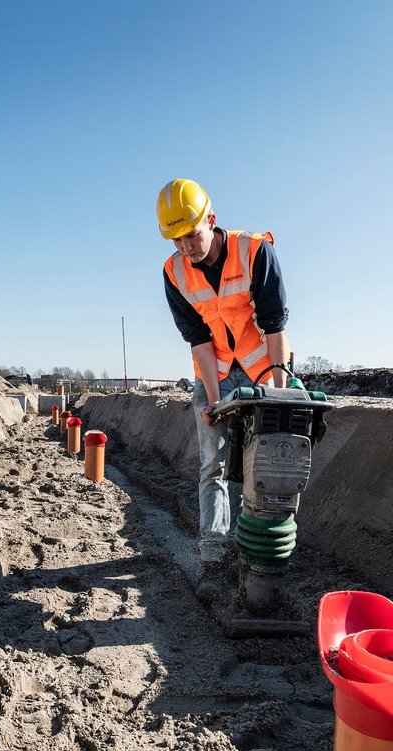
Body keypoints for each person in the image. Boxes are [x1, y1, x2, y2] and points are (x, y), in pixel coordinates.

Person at [156, 178, 290, 574]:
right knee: (211, 465)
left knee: (261, 467)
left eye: (191, 236)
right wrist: (213, 400)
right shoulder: (174, 272)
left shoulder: (253, 250)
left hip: (259, 371)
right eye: (176, 241)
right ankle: (215, 550)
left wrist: (279, 391)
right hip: (213, 372)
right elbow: (197, 338)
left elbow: (274, 324)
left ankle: (257, 553)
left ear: (211, 220)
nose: (186, 248)